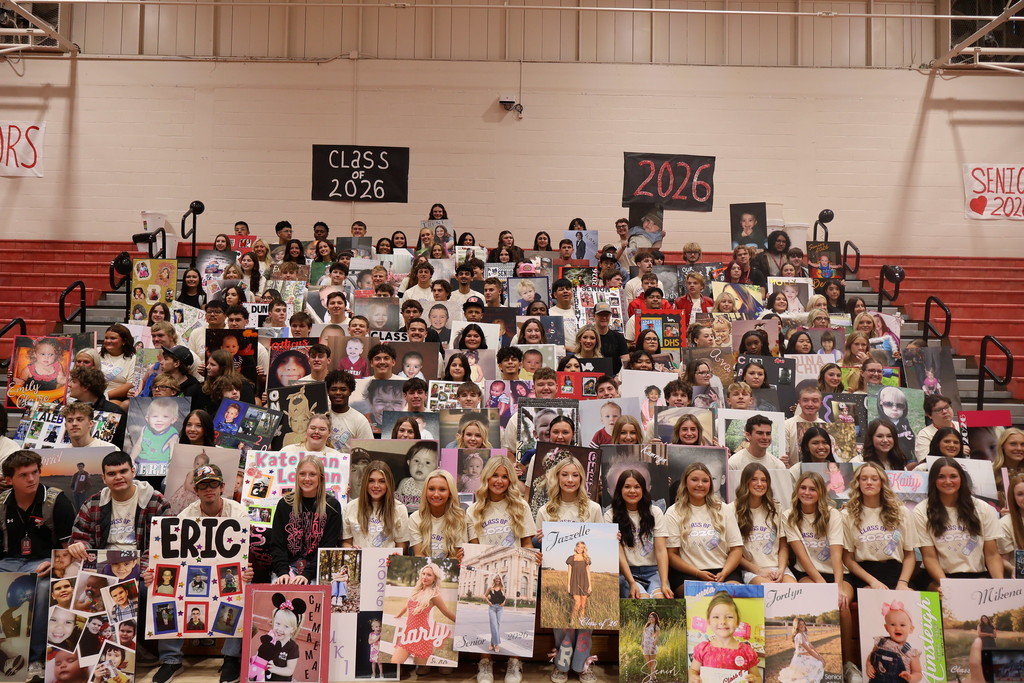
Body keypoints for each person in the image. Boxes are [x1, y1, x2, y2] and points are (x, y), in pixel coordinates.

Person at [0, 451, 76, 676]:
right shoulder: (2, 505)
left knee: (43, 590)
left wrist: (55, 564)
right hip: (8, 561)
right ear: (8, 480)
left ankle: (35, 659)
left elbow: (69, 550)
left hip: (44, 561)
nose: (32, 479)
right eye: (24, 475)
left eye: (35, 473)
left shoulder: (57, 501)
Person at [467, 456, 535, 683]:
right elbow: (474, 549)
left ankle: (514, 662)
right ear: (486, 477)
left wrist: (534, 557)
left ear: (511, 480)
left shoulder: (520, 506)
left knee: (513, 615)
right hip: (487, 569)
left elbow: (527, 544)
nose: (499, 480)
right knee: (486, 617)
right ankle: (485, 662)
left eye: (505, 476)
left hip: (512, 567)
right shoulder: (474, 509)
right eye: (495, 475)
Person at [914, 457, 1003, 589]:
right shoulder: (921, 511)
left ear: (962, 478)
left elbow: (992, 554)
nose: (948, 481)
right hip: (940, 578)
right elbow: (929, 558)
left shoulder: (982, 508)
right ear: (933, 480)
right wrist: (947, 586)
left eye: (953, 476)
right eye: (941, 477)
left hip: (978, 577)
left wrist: (1000, 586)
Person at [664, 462, 742, 596]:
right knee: (706, 594)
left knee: (734, 595)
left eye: (705, 481)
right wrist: (697, 573)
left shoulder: (723, 509)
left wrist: (724, 573)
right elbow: (671, 554)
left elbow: (736, 549)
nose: (700, 484)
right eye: (694, 480)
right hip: (688, 573)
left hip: (723, 571)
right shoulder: (673, 512)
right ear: (685, 482)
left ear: (710, 484)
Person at [269, 455, 342, 584]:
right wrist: (283, 572)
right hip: (287, 568)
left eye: (312, 474)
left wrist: (307, 574)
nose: (307, 479)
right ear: (296, 476)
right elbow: (277, 545)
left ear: (321, 478)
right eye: (302, 474)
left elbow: (327, 547)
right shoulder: (284, 504)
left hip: (316, 570)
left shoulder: (332, 506)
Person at [728, 463, 794, 585]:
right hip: (752, 570)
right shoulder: (732, 510)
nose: (759, 484)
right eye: (754, 479)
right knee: (770, 590)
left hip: (778, 568)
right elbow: (732, 551)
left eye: (764, 480)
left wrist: (781, 569)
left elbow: (783, 546)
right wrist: (759, 571)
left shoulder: (776, 508)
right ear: (745, 482)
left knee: (794, 590)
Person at [608, 469, 669, 598]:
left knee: (660, 599)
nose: (632, 491)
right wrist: (631, 582)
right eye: (627, 487)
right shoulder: (610, 515)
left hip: (653, 572)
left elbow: (661, 550)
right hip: (627, 573)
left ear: (643, 490)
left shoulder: (655, 512)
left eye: (637, 487)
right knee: (643, 599)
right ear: (620, 490)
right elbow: (618, 553)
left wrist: (664, 583)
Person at [388, 563, 458, 667]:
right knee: (394, 663)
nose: (424, 577)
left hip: (422, 637)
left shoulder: (434, 595)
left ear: (435, 578)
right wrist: (398, 614)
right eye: (423, 574)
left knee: (420, 670)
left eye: (429, 575)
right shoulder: (416, 591)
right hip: (408, 635)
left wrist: (461, 624)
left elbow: (446, 612)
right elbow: (407, 605)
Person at [689, 590, 761, 683]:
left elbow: (758, 678)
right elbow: (693, 670)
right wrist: (692, 677)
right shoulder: (703, 649)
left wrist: (754, 680)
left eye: (729, 617)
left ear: (737, 622)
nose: (722, 621)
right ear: (709, 621)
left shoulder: (747, 652)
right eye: (716, 617)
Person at [408, 469, 473, 558]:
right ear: (425, 492)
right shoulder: (415, 518)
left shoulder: (460, 518)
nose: (436, 494)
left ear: (450, 493)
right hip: (425, 570)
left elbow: (455, 559)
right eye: (431, 489)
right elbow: (419, 557)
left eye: (442, 490)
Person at [864, 602, 923, 683]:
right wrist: (868, 665)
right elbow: (871, 656)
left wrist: (911, 678)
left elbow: (918, 673)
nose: (897, 628)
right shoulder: (880, 643)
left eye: (902, 625)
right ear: (886, 627)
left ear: (911, 629)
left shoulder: (911, 653)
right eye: (893, 624)